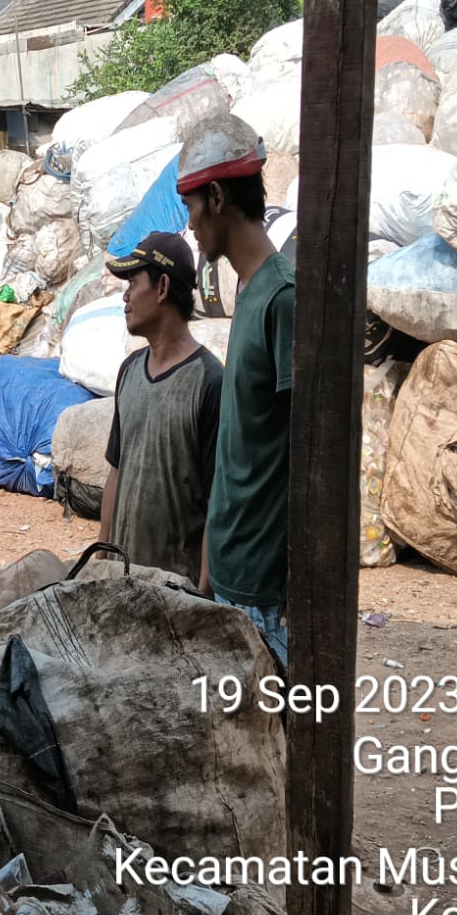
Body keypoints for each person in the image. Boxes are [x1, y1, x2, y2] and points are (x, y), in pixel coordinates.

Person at [177, 114, 295, 671]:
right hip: (229, 572)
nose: (192, 226)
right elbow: (237, 450)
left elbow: (306, 455)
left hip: (263, 589)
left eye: (192, 209)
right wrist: (208, 564)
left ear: (218, 197)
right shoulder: (248, 292)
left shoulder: (282, 299)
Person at [98, 232, 222, 589]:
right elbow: (116, 473)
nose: (125, 297)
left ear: (163, 287)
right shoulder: (130, 371)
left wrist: (202, 592)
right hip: (121, 583)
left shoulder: (209, 382)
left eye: (133, 283)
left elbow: (216, 501)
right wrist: (101, 562)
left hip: (173, 592)